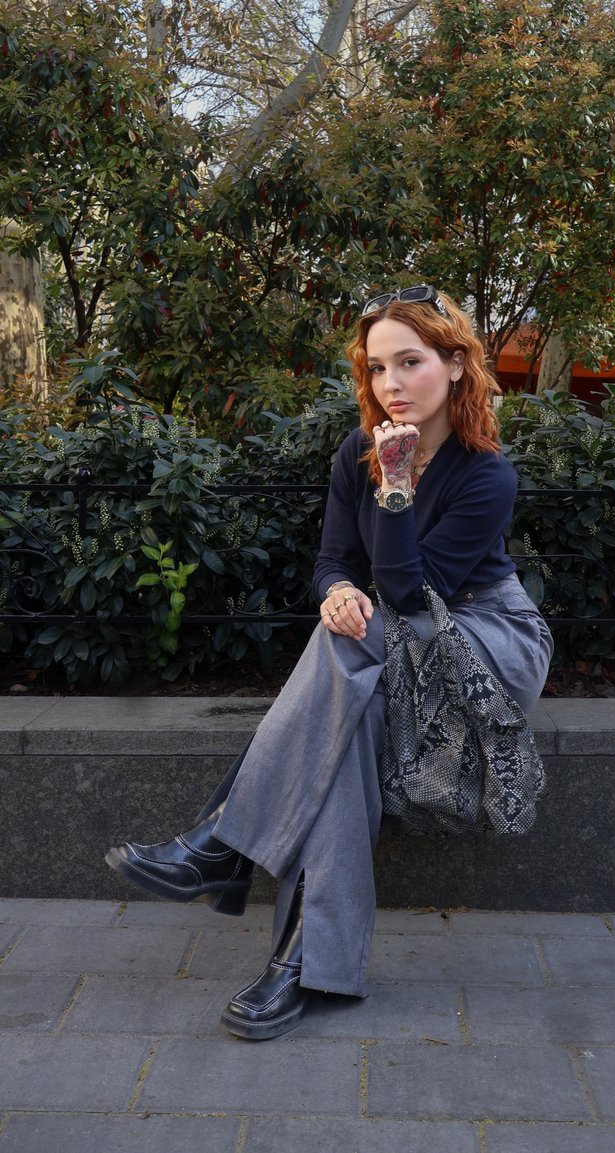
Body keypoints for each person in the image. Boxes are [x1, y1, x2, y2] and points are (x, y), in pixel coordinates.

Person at [106, 285, 554, 1041]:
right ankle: (300, 961)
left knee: (353, 642)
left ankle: (221, 842)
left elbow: (416, 592)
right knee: (349, 709)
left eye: (409, 362)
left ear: (453, 363)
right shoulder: (356, 451)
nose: (391, 385)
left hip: (489, 636)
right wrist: (338, 591)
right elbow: (333, 562)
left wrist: (399, 487)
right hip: (391, 635)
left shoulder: (486, 474)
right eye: (378, 368)